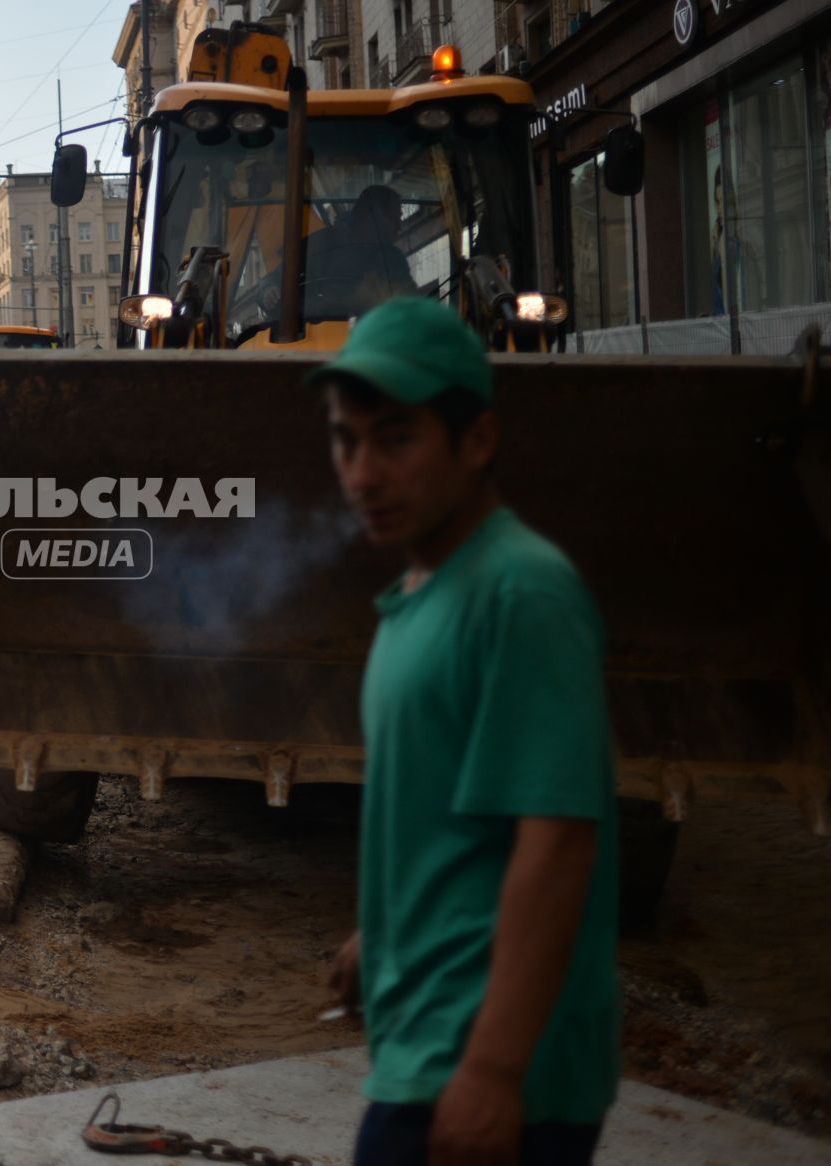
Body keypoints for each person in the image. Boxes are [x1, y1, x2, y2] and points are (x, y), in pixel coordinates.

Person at [307, 297, 619, 1166]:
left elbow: (556, 842)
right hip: (430, 1040)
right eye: (346, 439)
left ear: (476, 442)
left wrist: (493, 1071)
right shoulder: (424, 592)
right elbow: (461, 817)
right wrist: (388, 933)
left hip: (489, 1069)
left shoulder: (520, 594)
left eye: (395, 439)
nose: (361, 473)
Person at [306, 185, 418, 320]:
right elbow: (281, 285)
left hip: (380, 335)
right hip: (321, 332)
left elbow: (410, 306)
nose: (399, 226)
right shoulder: (322, 243)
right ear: (374, 215)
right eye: (394, 217)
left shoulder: (394, 259)